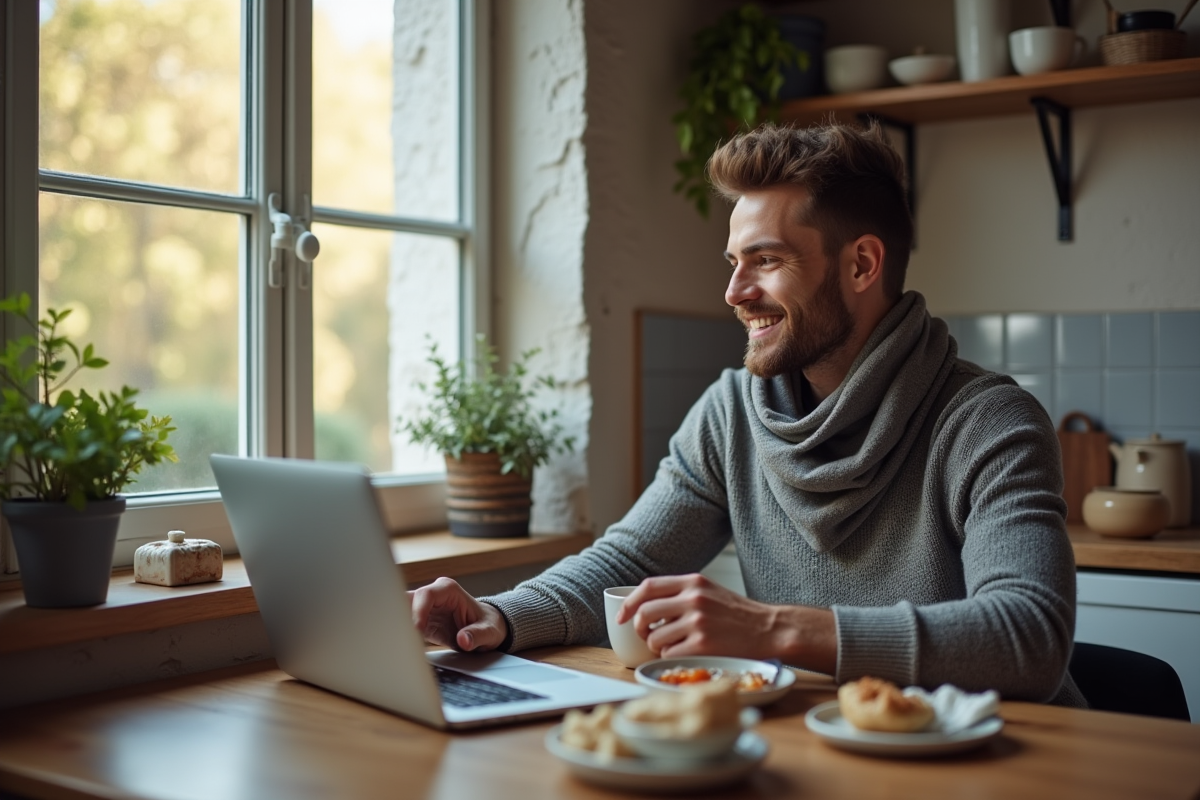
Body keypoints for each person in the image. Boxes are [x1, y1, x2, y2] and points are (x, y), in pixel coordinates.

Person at [410, 121, 1084, 706]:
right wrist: (495, 616)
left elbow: (1027, 637)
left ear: (862, 265)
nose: (735, 292)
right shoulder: (732, 413)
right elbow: (630, 560)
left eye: (765, 260)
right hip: (818, 752)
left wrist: (768, 630)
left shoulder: (990, 422)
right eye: (735, 262)